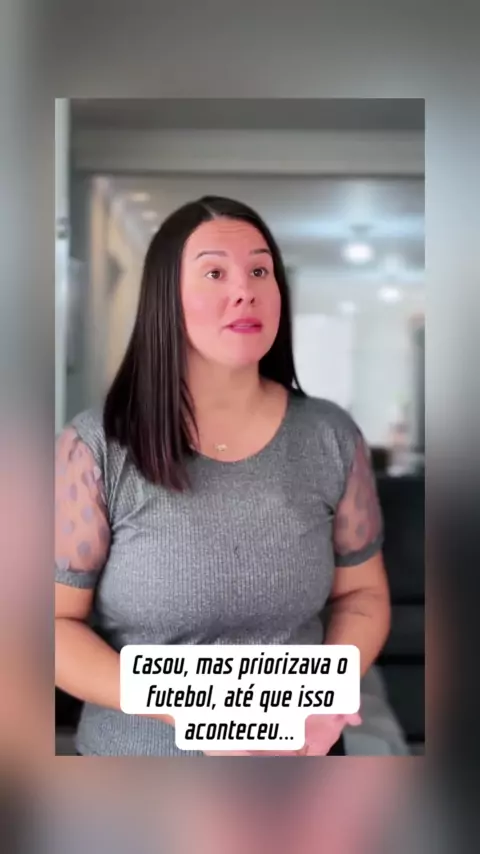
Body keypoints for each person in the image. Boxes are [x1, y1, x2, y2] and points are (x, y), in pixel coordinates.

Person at [54, 195, 391, 757]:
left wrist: (323, 698)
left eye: (260, 271)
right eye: (215, 273)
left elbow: (362, 594)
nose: (245, 290)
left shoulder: (332, 436)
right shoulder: (94, 448)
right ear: (165, 298)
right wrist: (204, 713)